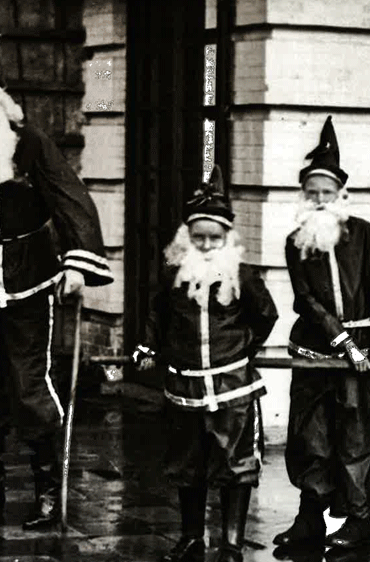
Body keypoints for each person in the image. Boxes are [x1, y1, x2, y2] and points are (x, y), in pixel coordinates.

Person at [0, 25, 113, 529]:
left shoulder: (30, 143)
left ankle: (48, 494)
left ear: (2, 100)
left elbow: (72, 198)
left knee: (30, 385)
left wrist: (77, 263)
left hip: (30, 282)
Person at [133, 165, 278, 562]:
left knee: (236, 464)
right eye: (199, 237)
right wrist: (148, 347)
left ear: (227, 239)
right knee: (186, 464)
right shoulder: (172, 276)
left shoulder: (242, 276)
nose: (207, 244)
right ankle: (192, 537)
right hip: (184, 387)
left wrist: (242, 348)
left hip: (233, 387)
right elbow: (156, 317)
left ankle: (231, 545)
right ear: (187, 238)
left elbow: (266, 315)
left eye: (214, 237)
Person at [273, 117, 370, 554]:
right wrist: (340, 341)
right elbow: (306, 299)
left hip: (361, 353)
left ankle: (358, 523)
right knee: (311, 436)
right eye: (313, 193)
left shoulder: (361, 233)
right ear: (304, 195)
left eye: (328, 193)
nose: (321, 200)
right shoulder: (296, 241)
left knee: (355, 435)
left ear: (340, 194)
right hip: (313, 352)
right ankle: (310, 519)